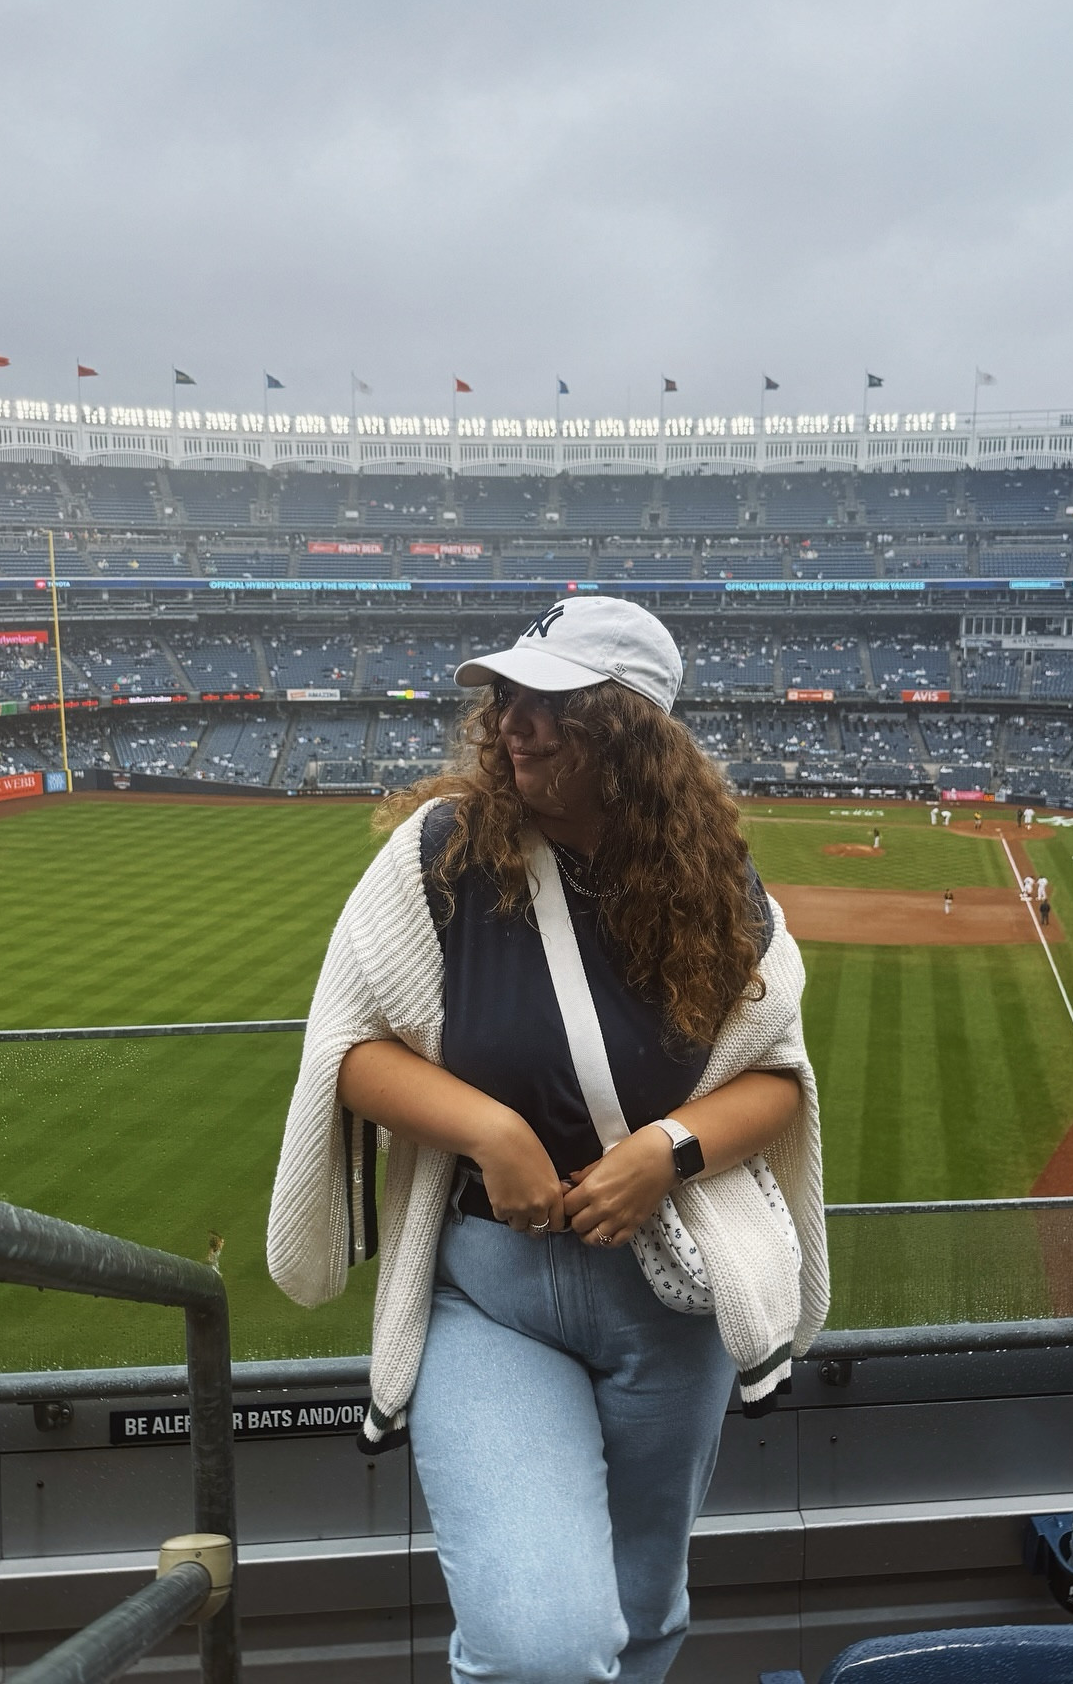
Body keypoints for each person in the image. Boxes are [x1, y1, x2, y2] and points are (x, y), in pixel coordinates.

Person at [268, 596, 828, 1684]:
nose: (514, 722)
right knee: (539, 1649)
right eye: (510, 697)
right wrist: (489, 1130)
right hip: (493, 1297)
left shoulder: (721, 887)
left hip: (669, 1304)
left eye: (551, 705)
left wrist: (666, 1150)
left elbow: (777, 1081)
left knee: (645, 1604)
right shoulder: (441, 856)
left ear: (629, 734)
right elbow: (345, 1048)